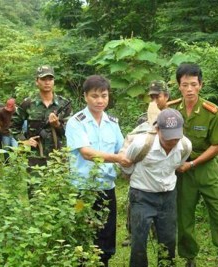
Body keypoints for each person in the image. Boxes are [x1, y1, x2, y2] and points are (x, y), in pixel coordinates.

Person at [170, 63, 218, 267]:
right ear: (178, 86)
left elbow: (217, 146)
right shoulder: (171, 110)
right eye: (185, 85)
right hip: (182, 173)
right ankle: (190, 258)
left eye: (193, 84)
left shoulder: (211, 111)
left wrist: (193, 164)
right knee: (184, 217)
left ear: (201, 85)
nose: (189, 89)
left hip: (206, 170)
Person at [65, 75, 131, 267]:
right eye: (95, 96)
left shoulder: (112, 122)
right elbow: (86, 153)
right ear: (85, 96)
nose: (100, 100)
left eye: (104, 95)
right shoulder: (77, 122)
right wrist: (118, 158)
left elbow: (122, 148)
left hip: (106, 187)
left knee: (106, 235)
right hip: (82, 189)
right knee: (82, 234)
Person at [121, 108, 191, 267]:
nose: (172, 143)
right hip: (141, 196)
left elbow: (179, 164)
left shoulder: (185, 145)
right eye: (168, 138)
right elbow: (126, 166)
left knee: (169, 240)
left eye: (176, 138)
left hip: (168, 197)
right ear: (157, 129)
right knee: (139, 241)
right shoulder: (141, 144)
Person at [121, 80, 170, 247]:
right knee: (134, 201)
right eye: (152, 97)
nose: (154, 101)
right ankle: (132, 232)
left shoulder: (174, 117)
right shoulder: (143, 119)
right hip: (144, 170)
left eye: (158, 96)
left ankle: (159, 233)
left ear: (166, 96)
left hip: (165, 170)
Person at [10, 65, 72, 167]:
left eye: (50, 79)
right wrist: (24, 141)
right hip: (35, 157)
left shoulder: (63, 104)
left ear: (54, 81)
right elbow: (13, 126)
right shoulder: (28, 103)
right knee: (35, 183)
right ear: (37, 81)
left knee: (58, 183)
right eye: (43, 79)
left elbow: (70, 132)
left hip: (59, 156)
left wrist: (57, 125)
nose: (47, 82)